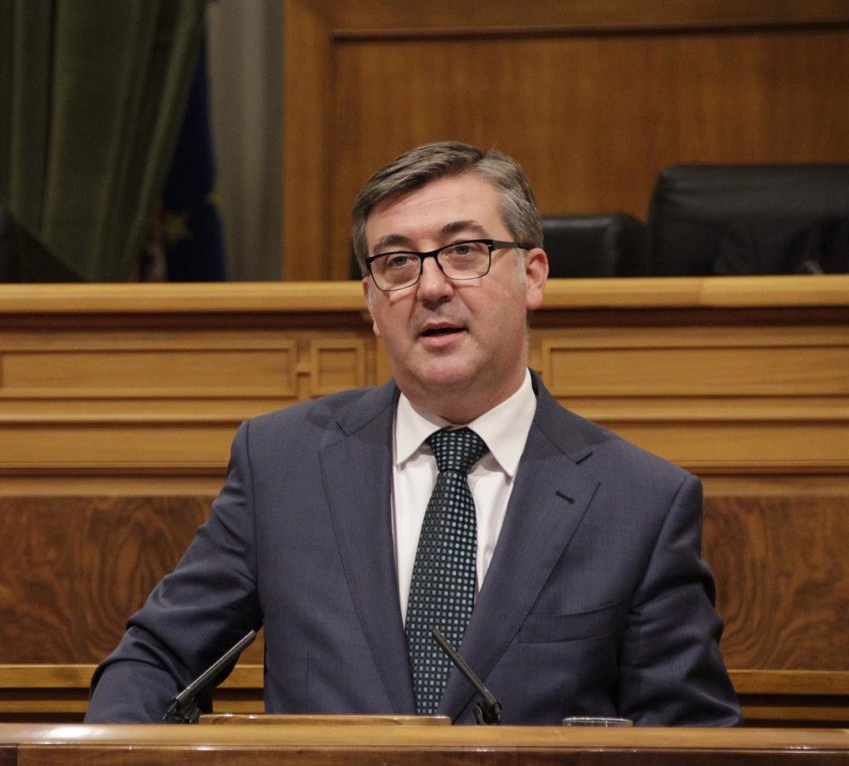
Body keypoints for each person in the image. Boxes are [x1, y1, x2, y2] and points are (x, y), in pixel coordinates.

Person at [85, 142, 741, 726]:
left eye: (464, 252)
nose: (429, 287)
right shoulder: (282, 464)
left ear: (533, 275)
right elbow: (153, 662)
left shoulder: (640, 501)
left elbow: (690, 743)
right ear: (371, 303)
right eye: (397, 262)